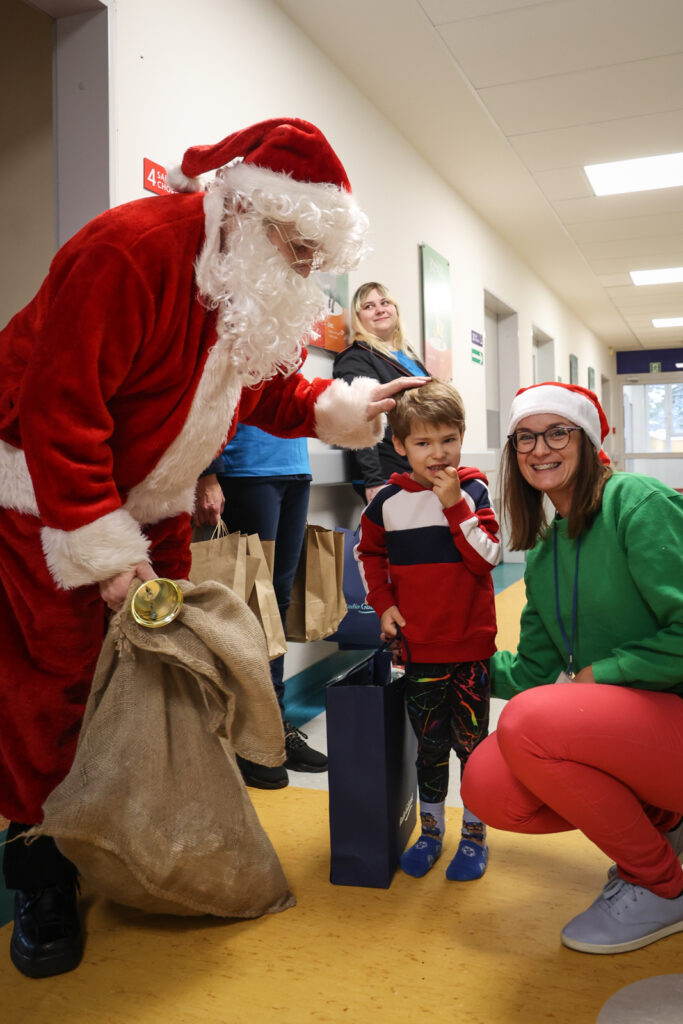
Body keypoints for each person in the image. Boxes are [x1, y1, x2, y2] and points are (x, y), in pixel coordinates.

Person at [0, 116, 426, 979]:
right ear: (243, 209)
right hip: (50, 500)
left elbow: (259, 385)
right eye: (296, 249)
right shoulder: (127, 252)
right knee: (50, 690)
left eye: (316, 258)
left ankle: (133, 826)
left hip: (152, 506)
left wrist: (331, 409)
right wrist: (105, 553)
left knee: (165, 670)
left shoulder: (240, 279)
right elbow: (59, 412)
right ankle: (40, 872)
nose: (303, 271)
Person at [461, 381, 683, 955]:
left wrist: (603, 673)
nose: (540, 449)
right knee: (487, 785)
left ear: (586, 440)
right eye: (525, 438)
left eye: (557, 432)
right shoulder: (545, 551)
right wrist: (450, 660)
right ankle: (666, 827)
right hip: (641, 734)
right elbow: (534, 673)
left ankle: (661, 886)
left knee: (529, 723)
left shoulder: (636, 502)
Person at [355, 380, 500, 881]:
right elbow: (368, 554)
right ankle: (432, 832)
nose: (437, 453)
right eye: (423, 442)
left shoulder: (474, 490)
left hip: (470, 647)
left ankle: (475, 835)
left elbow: (486, 559)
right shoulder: (387, 502)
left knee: (473, 747)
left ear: (461, 437)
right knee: (430, 746)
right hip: (419, 650)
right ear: (399, 445)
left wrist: (456, 505)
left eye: (448, 440)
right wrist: (383, 605)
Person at [196, 424, 327, 789]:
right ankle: (249, 738)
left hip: (294, 468)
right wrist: (208, 473)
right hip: (245, 468)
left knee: (275, 606)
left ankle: (273, 727)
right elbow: (209, 401)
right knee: (249, 606)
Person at [333, 281, 428, 503]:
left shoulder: (408, 355)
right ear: (358, 317)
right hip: (387, 472)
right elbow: (358, 415)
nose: (379, 310)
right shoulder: (355, 358)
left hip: (417, 465)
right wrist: (374, 479)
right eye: (369, 306)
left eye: (385, 302)